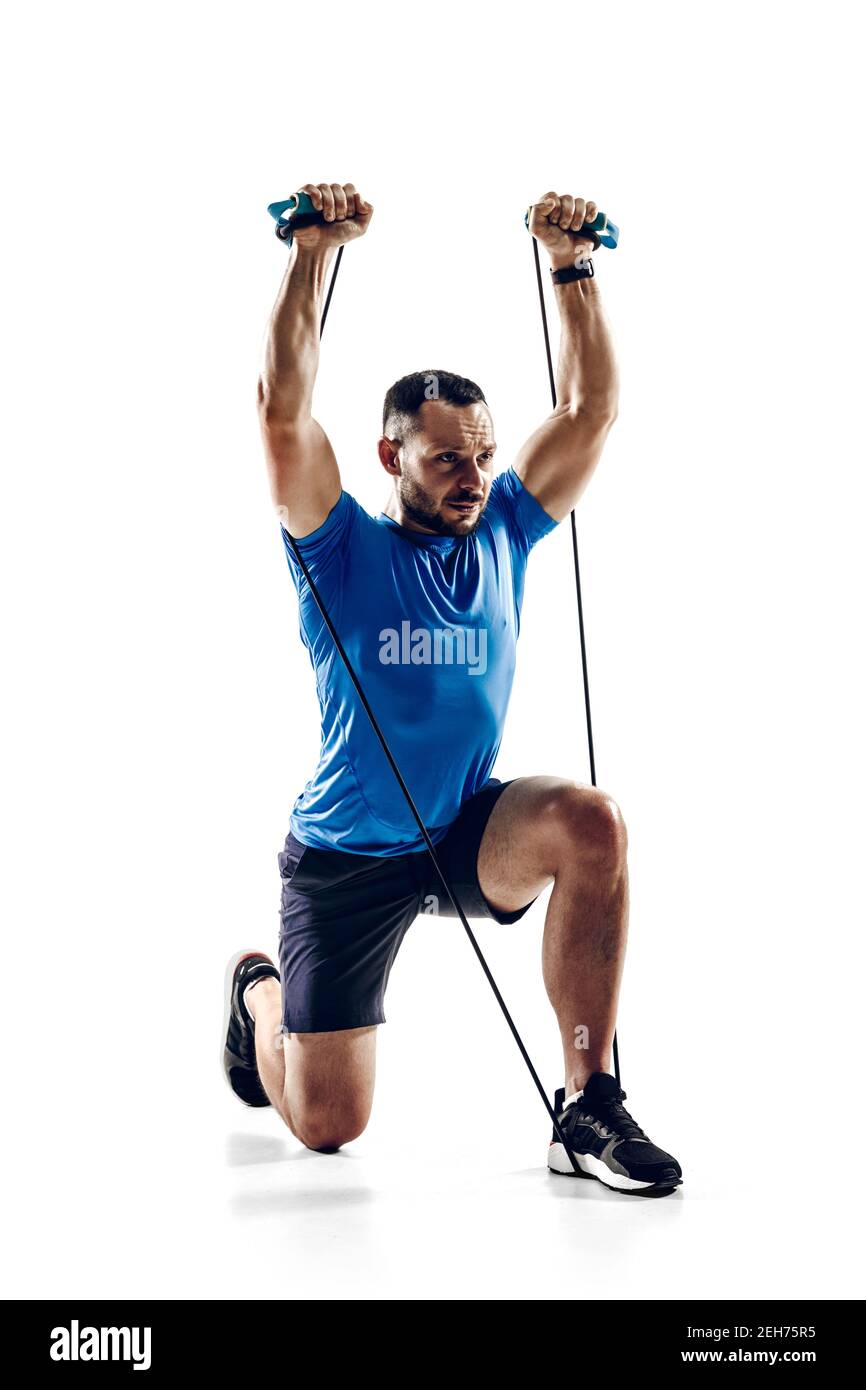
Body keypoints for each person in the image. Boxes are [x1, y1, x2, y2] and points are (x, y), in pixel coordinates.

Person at [222, 181, 682, 1196]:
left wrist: (570, 264)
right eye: (445, 462)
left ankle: (586, 1102)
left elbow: (590, 408)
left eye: (480, 455)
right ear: (391, 456)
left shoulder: (509, 529)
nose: (473, 476)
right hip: (345, 858)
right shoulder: (338, 546)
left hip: (466, 830)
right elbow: (281, 409)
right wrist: (311, 251)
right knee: (326, 1125)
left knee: (590, 822)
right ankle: (258, 998)